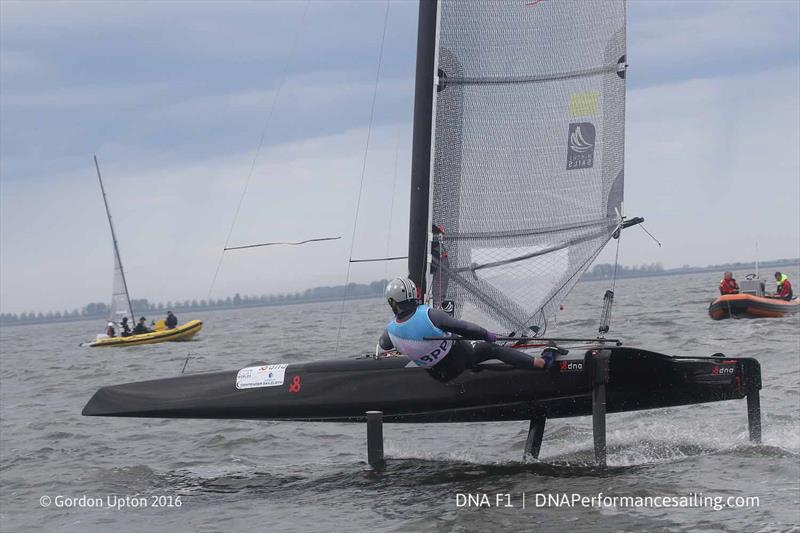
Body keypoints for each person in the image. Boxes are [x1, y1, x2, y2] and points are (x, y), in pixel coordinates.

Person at [377, 277, 553, 382]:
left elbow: (383, 347)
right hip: (459, 361)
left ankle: (476, 366)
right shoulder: (429, 314)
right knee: (490, 349)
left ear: (392, 302)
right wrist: (486, 335)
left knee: (466, 348)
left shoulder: (390, 331)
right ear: (414, 294)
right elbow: (465, 328)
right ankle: (541, 363)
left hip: (439, 376)